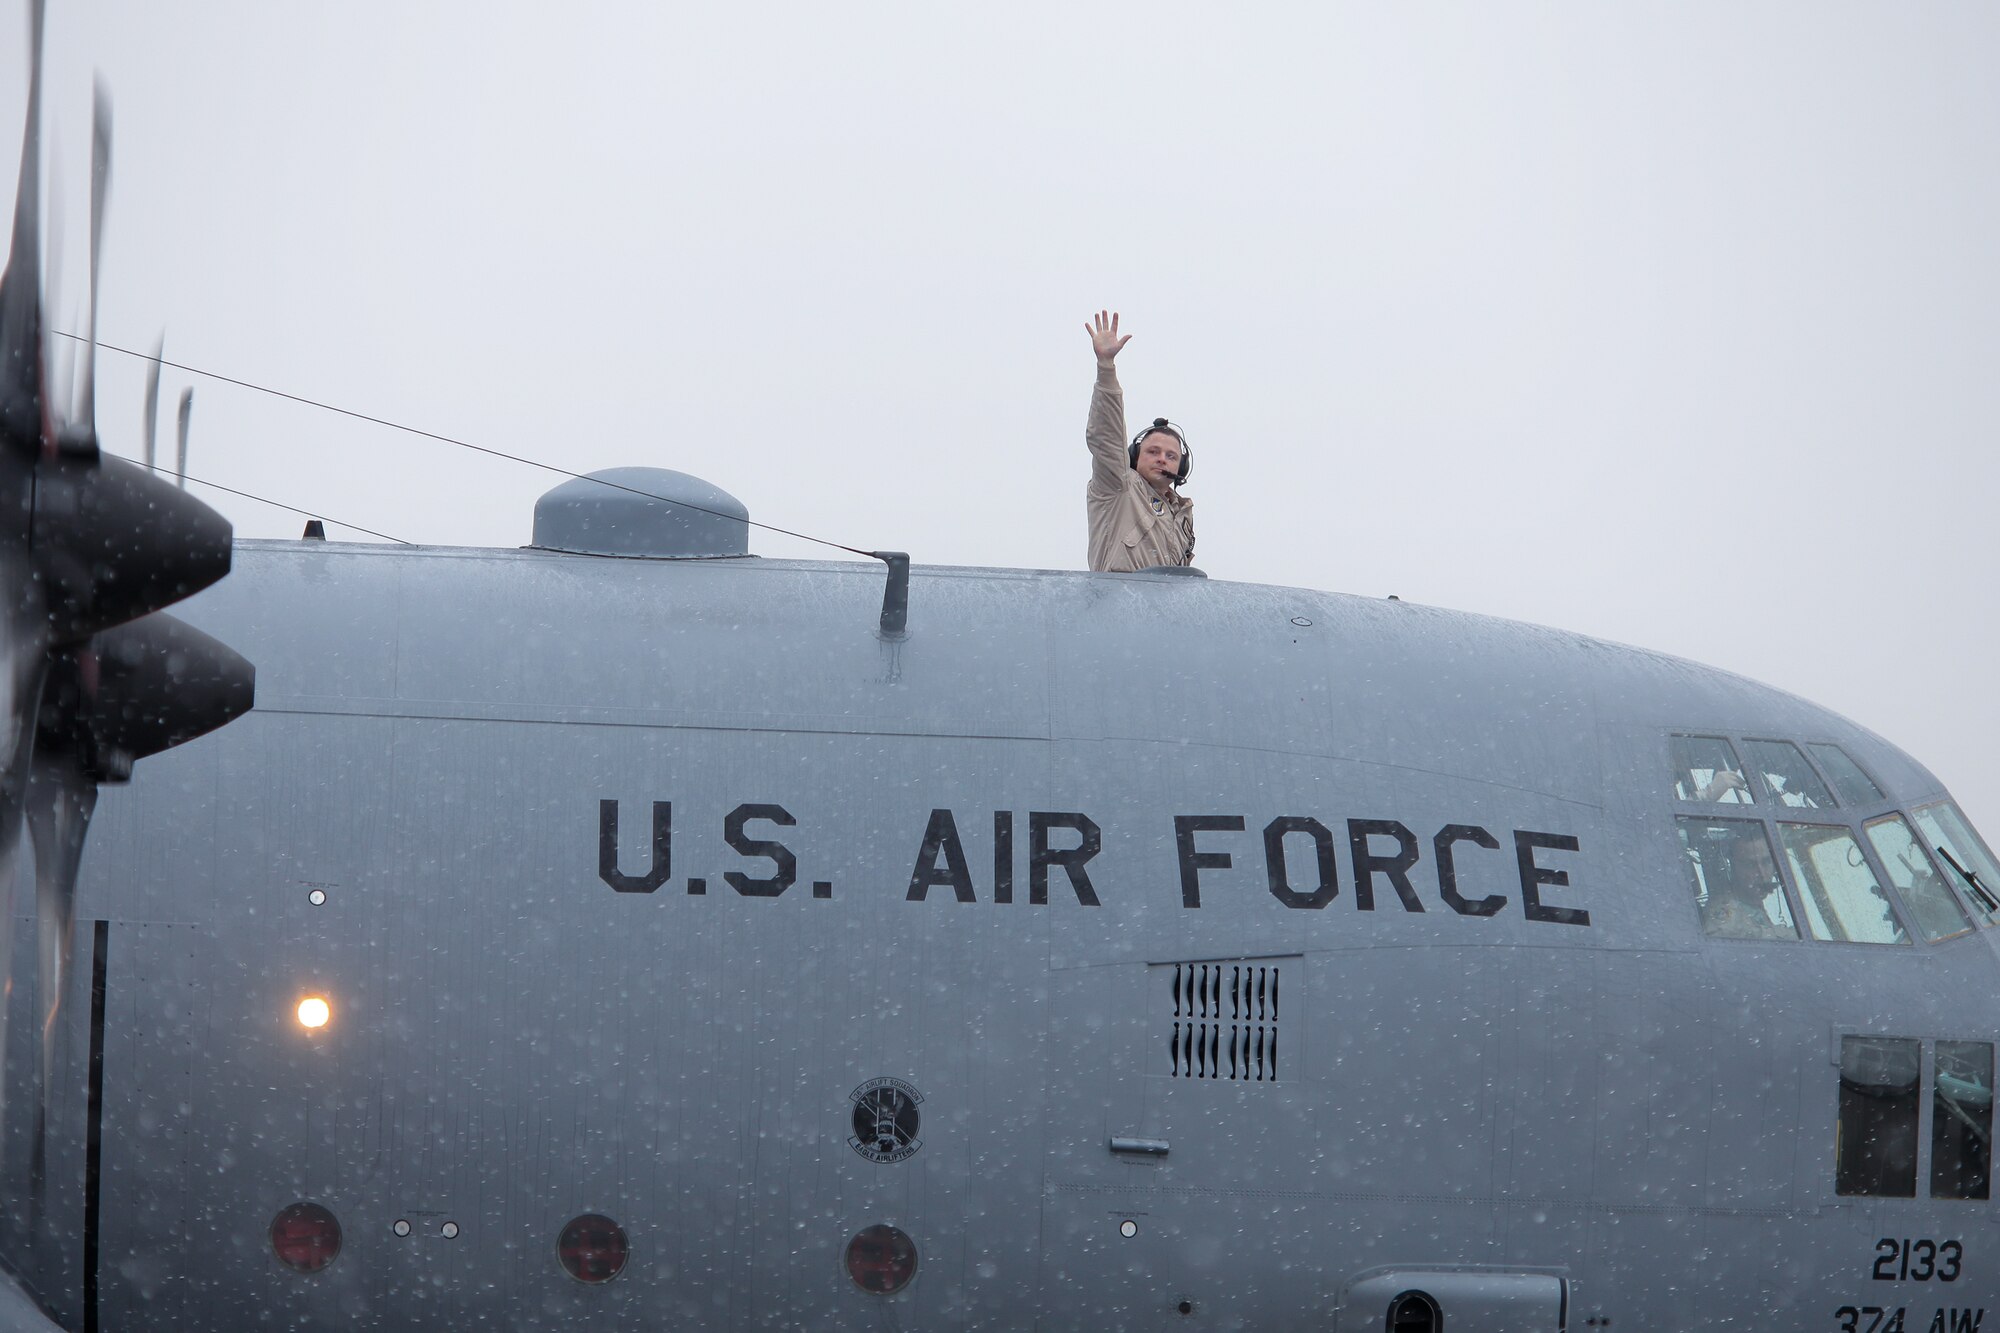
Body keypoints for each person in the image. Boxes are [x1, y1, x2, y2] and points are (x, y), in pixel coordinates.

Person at [1083, 311, 1194, 572]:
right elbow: (1106, 437)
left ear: (1182, 468)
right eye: (1153, 451)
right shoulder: (1117, 485)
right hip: (1117, 606)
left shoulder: (1183, 514)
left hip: (1162, 611)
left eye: (1171, 456)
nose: (1162, 458)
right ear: (1134, 456)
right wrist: (1106, 368)